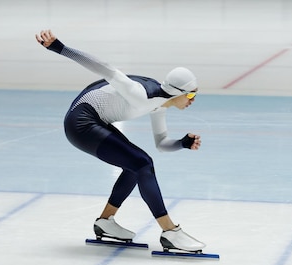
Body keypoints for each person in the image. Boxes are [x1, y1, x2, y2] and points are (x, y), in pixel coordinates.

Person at [35, 29, 205, 252]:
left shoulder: (159, 104)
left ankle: (105, 222)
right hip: (81, 123)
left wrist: (181, 143)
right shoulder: (142, 94)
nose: (192, 100)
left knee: (135, 166)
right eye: (191, 95)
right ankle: (170, 232)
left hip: (95, 120)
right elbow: (105, 68)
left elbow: (161, 143)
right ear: (177, 92)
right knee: (142, 163)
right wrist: (60, 48)